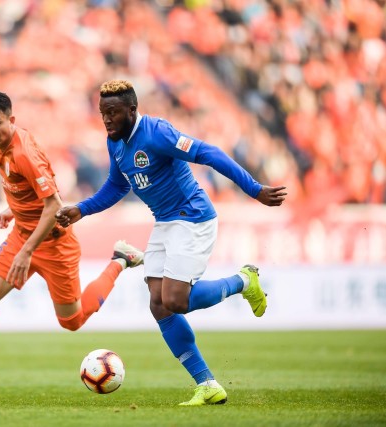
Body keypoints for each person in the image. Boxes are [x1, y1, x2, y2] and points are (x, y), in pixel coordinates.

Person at [56, 80, 287, 406]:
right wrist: (82, 209)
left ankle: (243, 281)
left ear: (132, 110)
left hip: (192, 216)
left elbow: (208, 153)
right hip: (165, 221)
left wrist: (254, 189)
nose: (106, 119)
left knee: (176, 299)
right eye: (103, 112)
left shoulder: (156, 133)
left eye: (113, 112)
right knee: (159, 304)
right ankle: (207, 384)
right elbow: (117, 186)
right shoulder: (115, 142)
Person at [0, 91, 144, 399]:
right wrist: (13, 210)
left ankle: (120, 259)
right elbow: (32, 192)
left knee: (72, 321)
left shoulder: (24, 152)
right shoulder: (3, 146)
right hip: (23, 235)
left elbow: (54, 205)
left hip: (54, 243)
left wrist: (26, 252)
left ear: (11, 120)